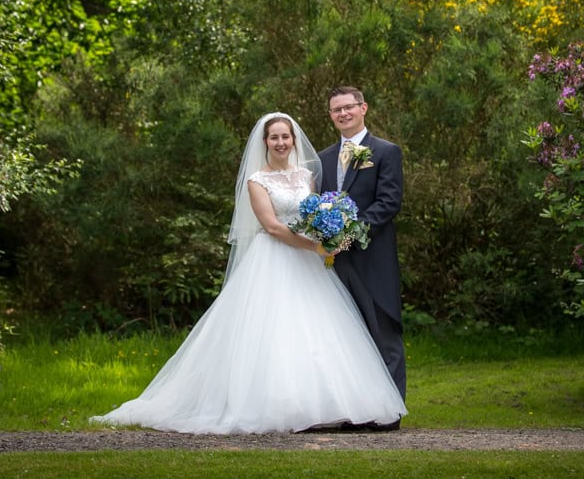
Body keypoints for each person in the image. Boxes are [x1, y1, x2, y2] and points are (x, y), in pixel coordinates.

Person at [90, 112, 406, 434]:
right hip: (275, 260)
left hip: (311, 266)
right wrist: (315, 248)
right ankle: (276, 407)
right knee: (274, 333)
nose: (281, 143)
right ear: (265, 142)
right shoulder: (257, 180)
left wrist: (329, 234)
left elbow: (315, 214)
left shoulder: (306, 177)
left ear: (293, 140)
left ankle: (326, 407)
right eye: (274, 138)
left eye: (286, 137)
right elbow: (271, 226)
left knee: (318, 332)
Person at [319, 87, 406, 426]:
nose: (343, 114)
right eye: (336, 110)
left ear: (363, 108)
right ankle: (352, 413)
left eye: (349, 107)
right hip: (332, 264)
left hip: (372, 258)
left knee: (383, 332)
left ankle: (389, 414)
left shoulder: (385, 152)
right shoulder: (323, 158)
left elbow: (388, 203)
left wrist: (348, 234)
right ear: (330, 116)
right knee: (344, 337)